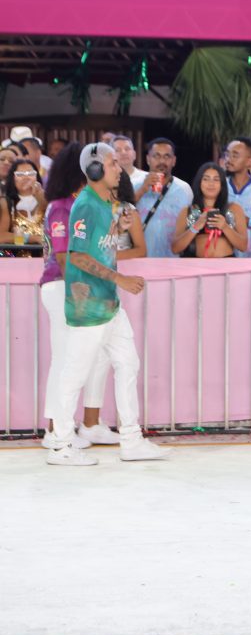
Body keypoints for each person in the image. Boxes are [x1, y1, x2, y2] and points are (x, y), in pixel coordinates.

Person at [47, 142, 168, 465]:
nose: (120, 168)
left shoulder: (105, 203)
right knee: (74, 374)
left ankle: (131, 440)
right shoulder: (85, 205)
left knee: (128, 364)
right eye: (113, 163)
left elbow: (100, 244)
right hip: (89, 307)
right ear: (96, 170)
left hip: (109, 306)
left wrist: (118, 227)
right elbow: (78, 256)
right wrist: (120, 280)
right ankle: (60, 445)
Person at [38, 142, 123, 450]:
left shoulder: (81, 202)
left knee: (97, 356)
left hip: (78, 287)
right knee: (64, 358)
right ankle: (53, 429)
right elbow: (64, 258)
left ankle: (89, 424)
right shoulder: (61, 206)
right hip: (65, 286)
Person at [171, 163, 248, 258]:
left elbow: (243, 246)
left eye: (216, 179)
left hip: (227, 268)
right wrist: (196, 226)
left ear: (222, 184)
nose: (211, 184)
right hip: (195, 267)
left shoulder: (234, 208)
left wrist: (224, 227)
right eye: (206, 179)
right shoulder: (187, 211)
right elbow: (175, 248)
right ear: (199, 182)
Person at [135, 138, 193, 258]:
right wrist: (142, 190)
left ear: (174, 161)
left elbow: (190, 226)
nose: (162, 161)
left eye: (167, 156)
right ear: (148, 159)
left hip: (171, 261)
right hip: (140, 260)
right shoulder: (134, 185)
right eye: (156, 156)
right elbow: (119, 213)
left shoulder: (184, 189)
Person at [1, 157, 47, 249]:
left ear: (37, 176)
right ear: (13, 178)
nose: (26, 177)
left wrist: (40, 197)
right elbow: (1, 236)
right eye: (20, 174)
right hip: (17, 259)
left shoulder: (47, 198)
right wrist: (32, 238)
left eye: (30, 173)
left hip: (46, 257)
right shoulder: (6, 202)